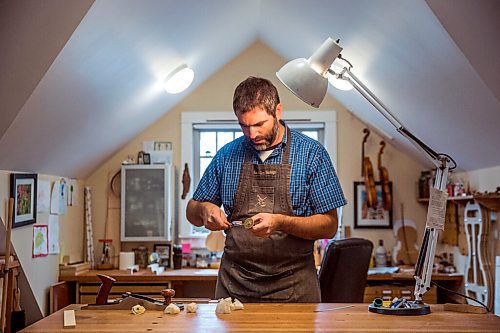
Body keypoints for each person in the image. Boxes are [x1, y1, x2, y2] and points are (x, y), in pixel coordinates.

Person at [186, 76, 346, 302]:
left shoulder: (312, 154)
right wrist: (204, 210)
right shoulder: (226, 156)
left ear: (277, 111)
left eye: (259, 124)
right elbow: (191, 212)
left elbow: (329, 226)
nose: (252, 134)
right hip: (235, 287)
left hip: (295, 287)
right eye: (244, 125)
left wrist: (281, 222)